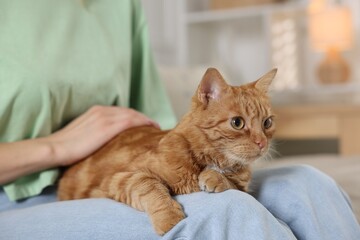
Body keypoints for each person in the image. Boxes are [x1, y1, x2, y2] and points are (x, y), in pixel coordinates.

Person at [0, 0, 359, 239]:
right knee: (227, 214)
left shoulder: (120, 5)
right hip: (19, 196)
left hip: (136, 159)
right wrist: (55, 147)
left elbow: (157, 124)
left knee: (307, 183)